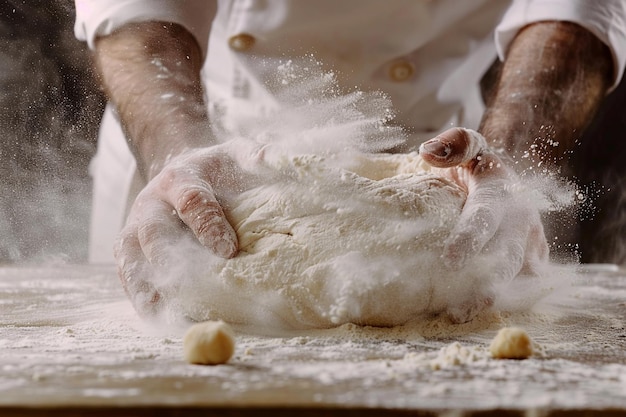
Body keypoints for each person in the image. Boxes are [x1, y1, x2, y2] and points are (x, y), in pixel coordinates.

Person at [74, 0, 626, 317]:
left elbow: (572, 10)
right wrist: (179, 152)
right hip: (203, 151)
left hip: (443, 162)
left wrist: (503, 155)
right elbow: (136, 9)